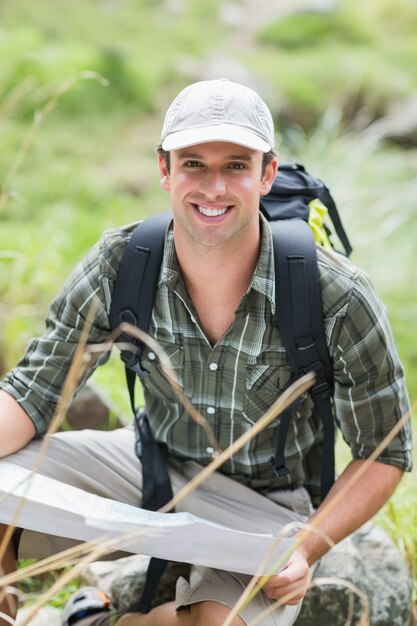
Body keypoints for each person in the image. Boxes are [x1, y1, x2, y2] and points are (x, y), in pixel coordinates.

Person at [0, 78, 412, 626]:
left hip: (266, 509)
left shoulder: (335, 295)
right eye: (193, 163)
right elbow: (32, 394)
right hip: (147, 467)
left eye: (236, 165)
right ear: (164, 169)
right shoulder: (121, 264)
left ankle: (103, 619)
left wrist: (307, 548)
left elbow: (384, 451)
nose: (213, 187)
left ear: (267, 173)